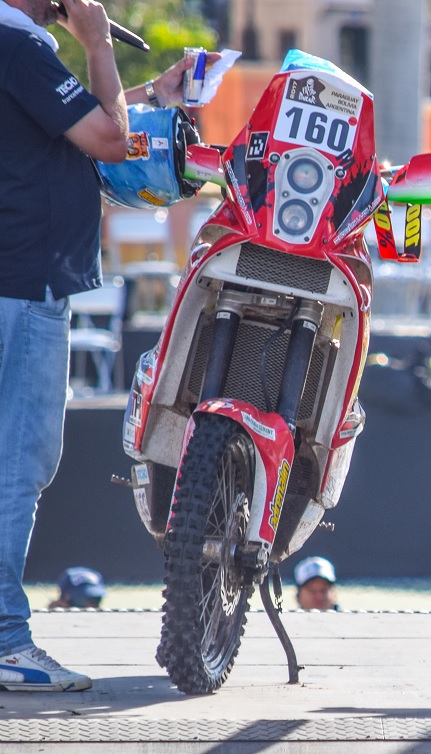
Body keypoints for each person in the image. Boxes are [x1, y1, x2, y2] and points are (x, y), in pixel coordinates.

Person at [0, 0, 197, 692]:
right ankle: (6, 641)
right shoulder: (18, 44)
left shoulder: (17, 50)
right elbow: (113, 141)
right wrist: (97, 45)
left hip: (18, 281)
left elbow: (74, 120)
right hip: (23, 283)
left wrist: (151, 95)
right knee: (18, 462)